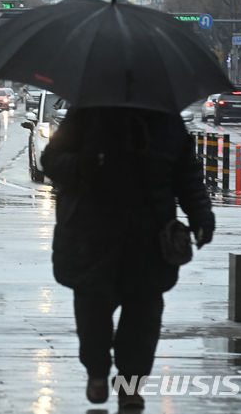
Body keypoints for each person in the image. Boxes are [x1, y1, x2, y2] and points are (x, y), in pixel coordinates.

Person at [39, 106, 215, 410]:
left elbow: (187, 175)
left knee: (143, 321)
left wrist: (201, 215)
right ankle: (97, 371)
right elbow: (51, 161)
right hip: (91, 237)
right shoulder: (87, 113)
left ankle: (130, 387)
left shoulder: (165, 119)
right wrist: (85, 164)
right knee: (93, 314)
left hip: (148, 240)